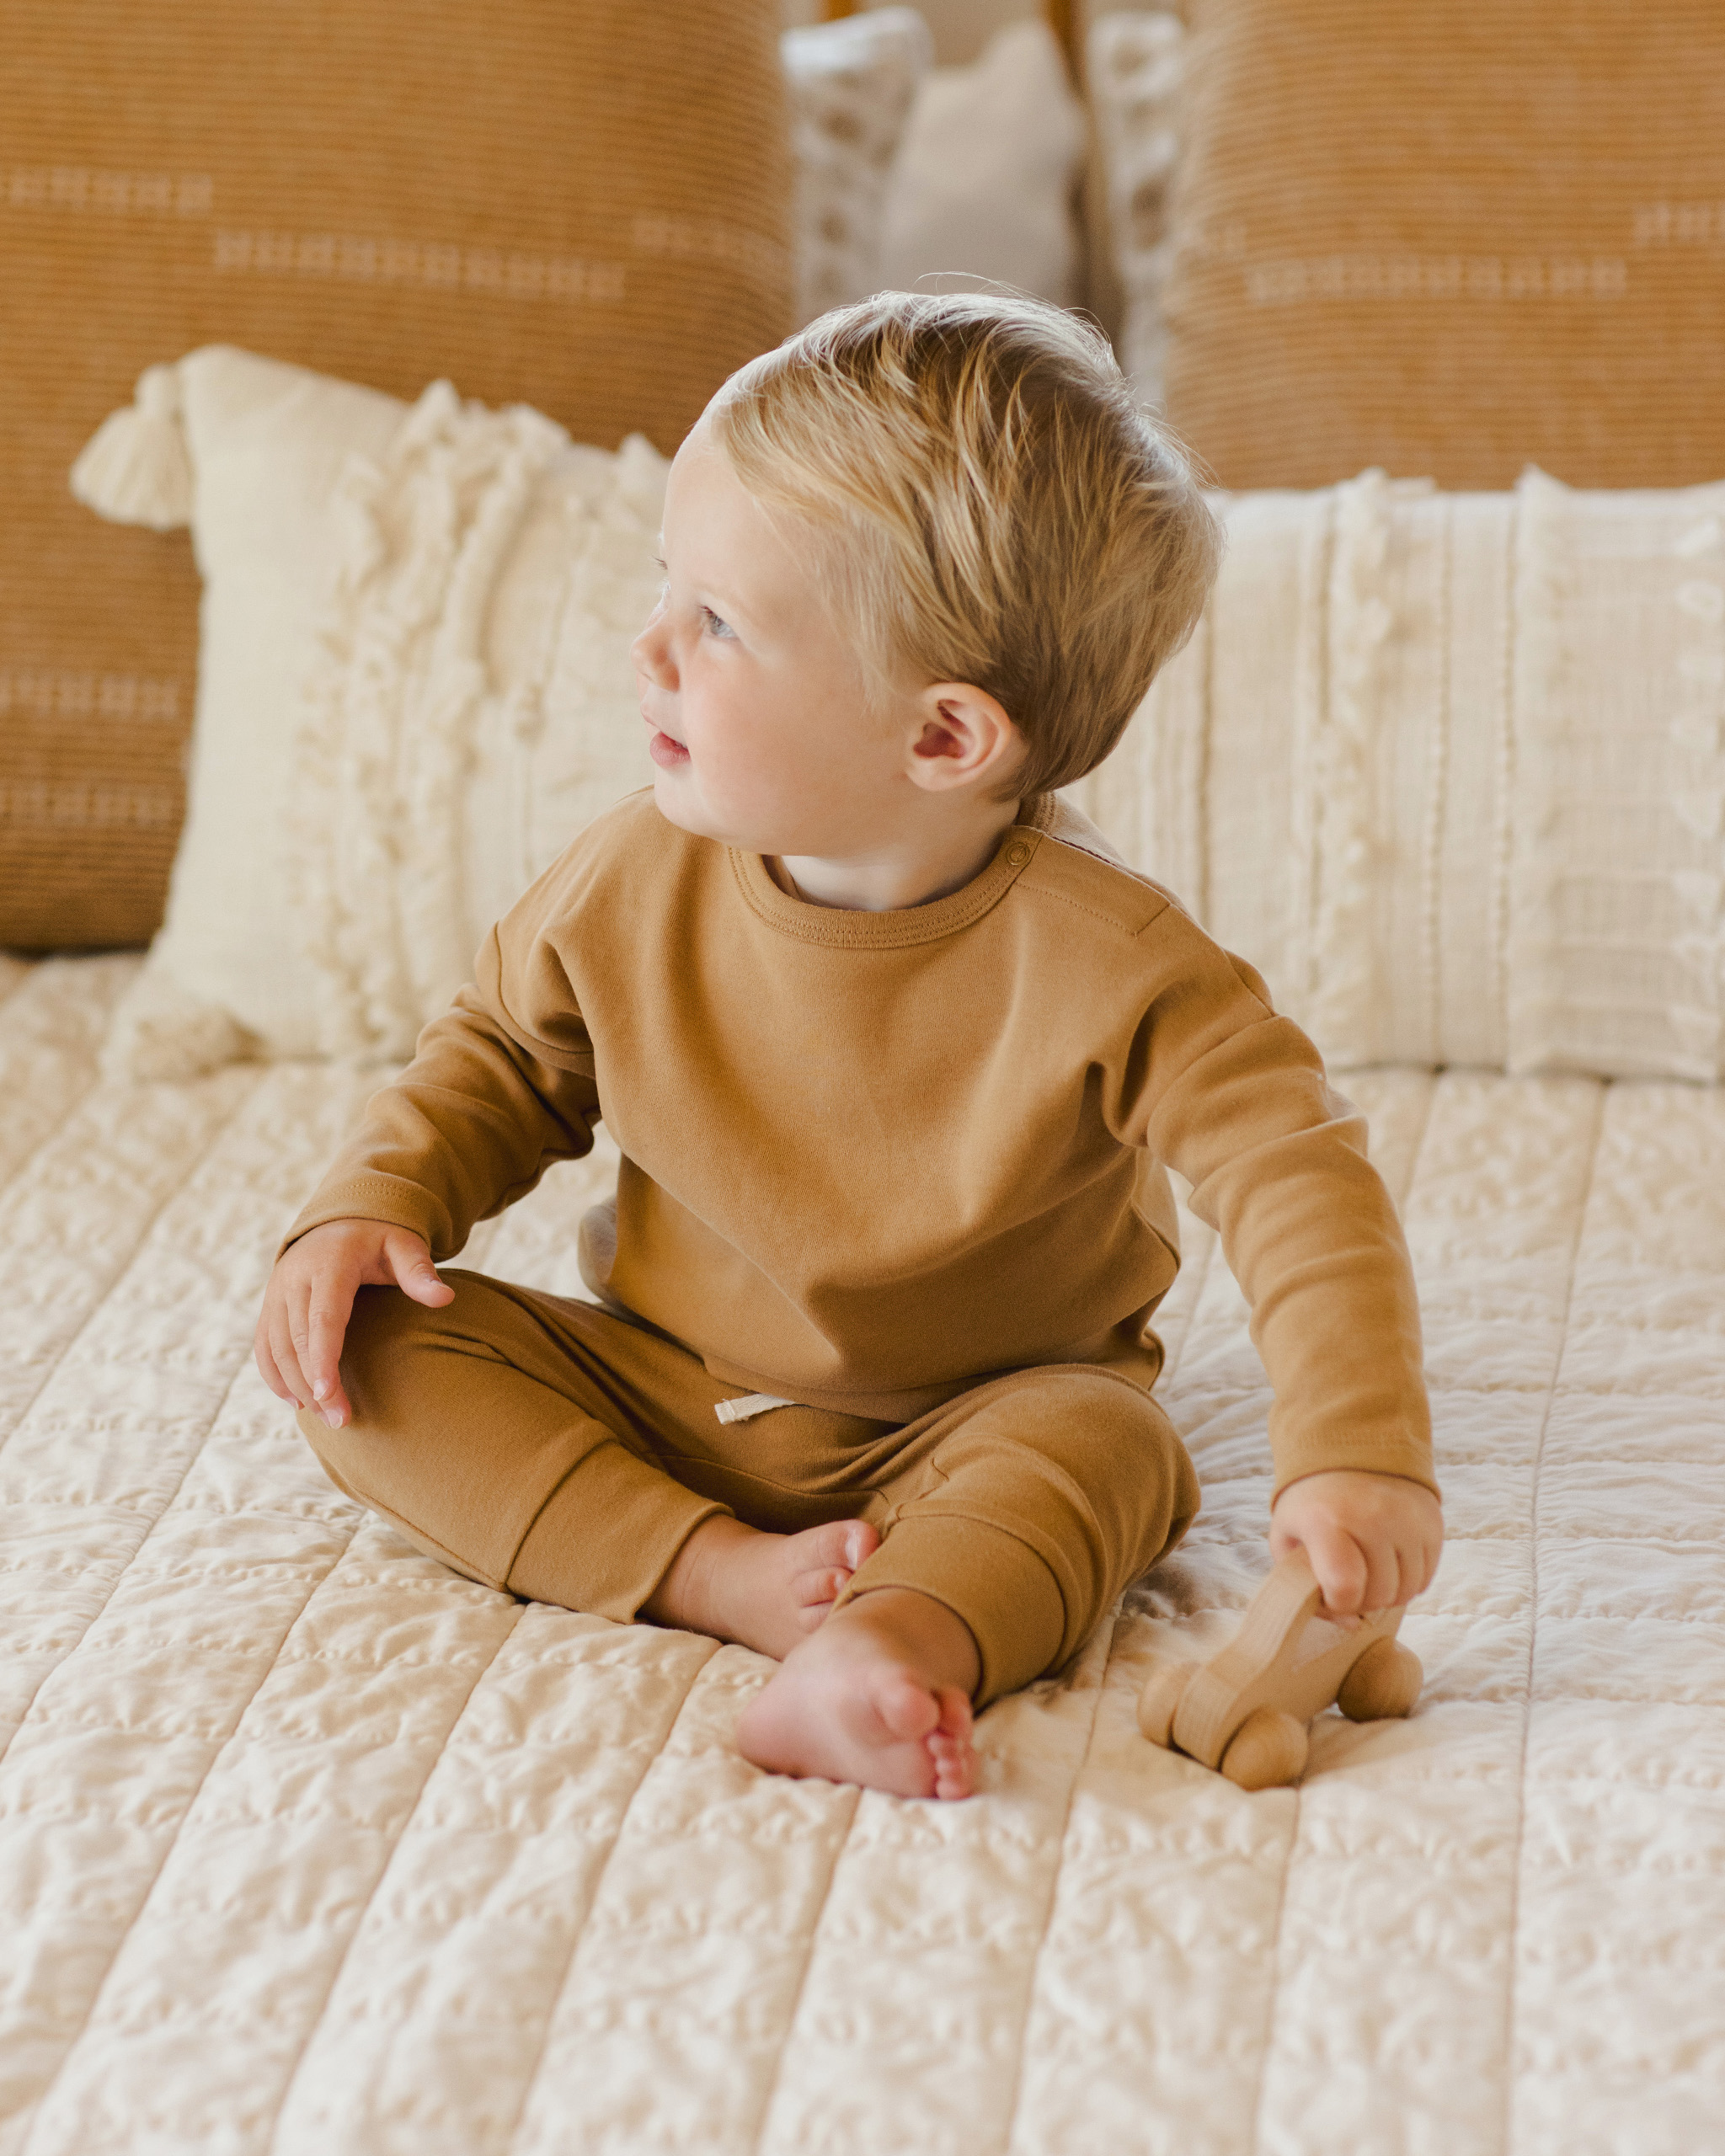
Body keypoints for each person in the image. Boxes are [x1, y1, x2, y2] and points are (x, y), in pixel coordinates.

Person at [254, 292, 1443, 1803]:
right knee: (358, 1345)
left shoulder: (1117, 967)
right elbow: (498, 1057)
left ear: (944, 739)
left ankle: (886, 1643)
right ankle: (719, 1576)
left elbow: (1298, 1175)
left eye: (719, 622)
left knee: (1118, 1455)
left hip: (975, 1419)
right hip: (661, 1382)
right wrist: (378, 1203)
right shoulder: (632, 877)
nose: (651, 647)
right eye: (665, 587)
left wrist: (1357, 1450)